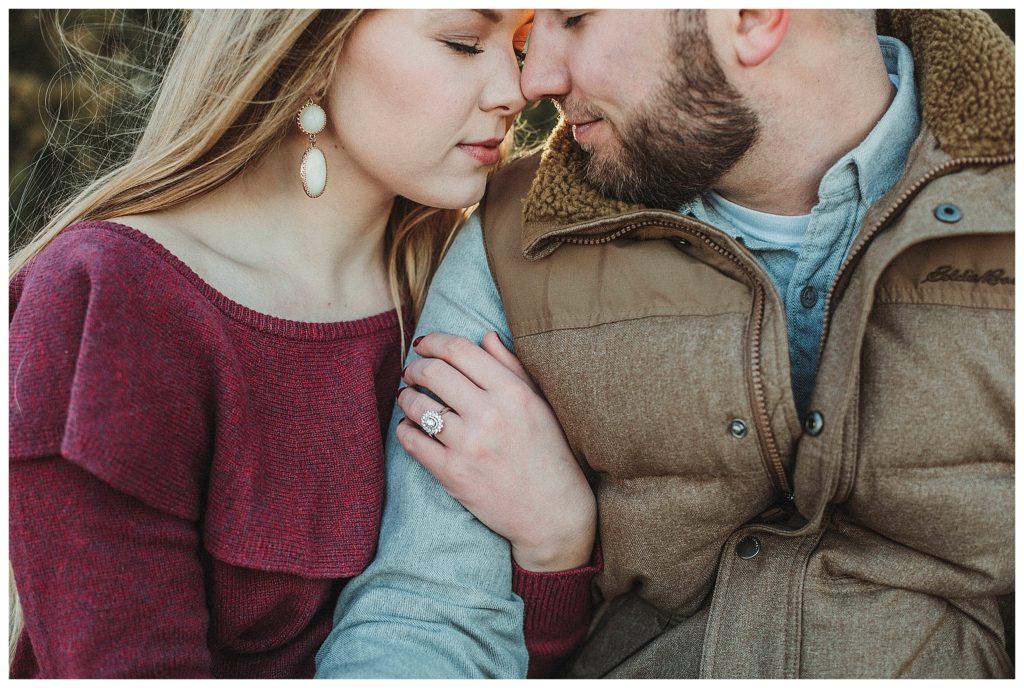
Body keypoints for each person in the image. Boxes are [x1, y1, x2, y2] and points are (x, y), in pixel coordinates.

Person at [321, 8, 1014, 679]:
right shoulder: (516, 237)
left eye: (578, 18)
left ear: (750, 17)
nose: (535, 81)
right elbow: (434, 611)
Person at [8, 9, 600, 679]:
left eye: (516, 48)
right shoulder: (112, 298)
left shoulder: (476, 296)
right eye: (463, 43)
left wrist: (556, 544)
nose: (515, 90)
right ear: (313, 50)